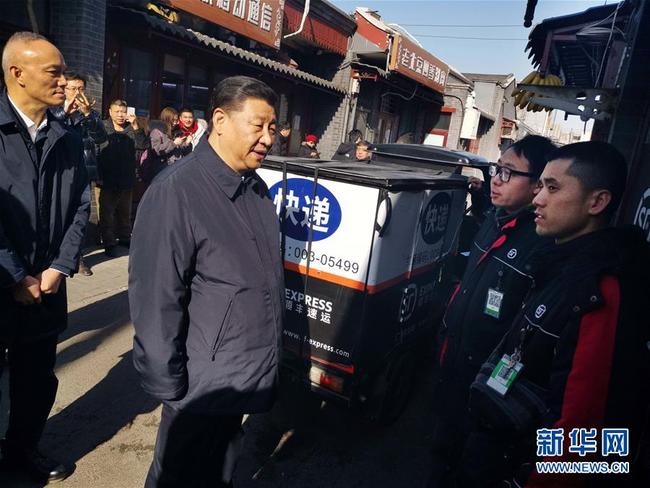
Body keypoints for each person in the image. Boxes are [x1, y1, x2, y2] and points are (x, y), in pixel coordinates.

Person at [460, 141, 650, 487]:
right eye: (540, 185)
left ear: (597, 202)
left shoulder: (599, 290)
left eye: (552, 187)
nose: (537, 199)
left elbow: (581, 423)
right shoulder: (561, 264)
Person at [129, 75, 284, 488]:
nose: (268, 138)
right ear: (219, 119)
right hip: (199, 385)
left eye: (273, 127)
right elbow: (156, 298)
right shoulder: (176, 191)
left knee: (221, 473)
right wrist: (170, 385)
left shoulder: (256, 189)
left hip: (239, 375)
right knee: (178, 477)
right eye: (258, 125)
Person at [428, 135, 557, 487]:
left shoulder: (542, 242)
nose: (496, 179)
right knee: (440, 449)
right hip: (453, 362)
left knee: (469, 466)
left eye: (508, 172)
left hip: (488, 386)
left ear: (537, 186)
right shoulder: (494, 219)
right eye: (496, 169)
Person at [0, 32, 89, 483]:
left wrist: (58, 267)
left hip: (47, 286)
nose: (63, 80)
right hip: (3, 285)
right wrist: (16, 276)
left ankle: (22, 451)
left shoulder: (66, 138)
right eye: (53, 72)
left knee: (36, 381)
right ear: (17, 73)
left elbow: (80, 206)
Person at [57, 71, 107, 276]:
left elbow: (101, 138)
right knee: (60, 213)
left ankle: (78, 257)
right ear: (64, 89)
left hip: (83, 170)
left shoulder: (90, 113)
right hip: (60, 170)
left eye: (80, 89)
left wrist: (87, 115)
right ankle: (58, 257)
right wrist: (65, 114)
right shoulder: (55, 111)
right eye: (72, 88)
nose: (77, 93)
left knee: (81, 214)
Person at [97, 99, 146, 257]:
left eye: (122, 112)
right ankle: (109, 243)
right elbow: (95, 150)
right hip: (107, 178)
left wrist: (136, 126)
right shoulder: (102, 127)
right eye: (117, 111)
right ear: (110, 112)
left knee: (125, 212)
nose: (120, 115)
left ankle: (125, 238)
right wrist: (97, 175)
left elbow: (143, 145)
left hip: (126, 177)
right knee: (107, 214)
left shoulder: (132, 128)